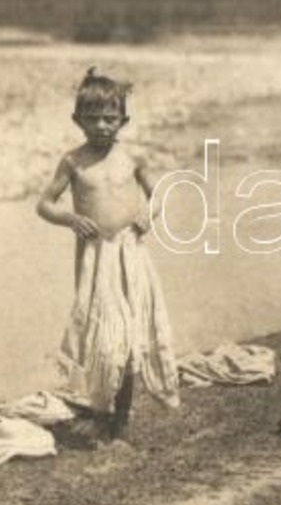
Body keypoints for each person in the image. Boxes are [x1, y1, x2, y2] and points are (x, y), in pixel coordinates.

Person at [36, 68, 180, 442]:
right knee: (103, 333)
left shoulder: (131, 158)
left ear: (123, 120)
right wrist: (70, 218)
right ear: (77, 120)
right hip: (95, 257)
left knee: (131, 334)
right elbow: (44, 204)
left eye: (110, 118)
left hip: (130, 253)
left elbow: (160, 194)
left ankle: (122, 414)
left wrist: (148, 217)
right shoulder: (73, 162)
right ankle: (101, 411)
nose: (101, 125)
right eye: (93, 118)